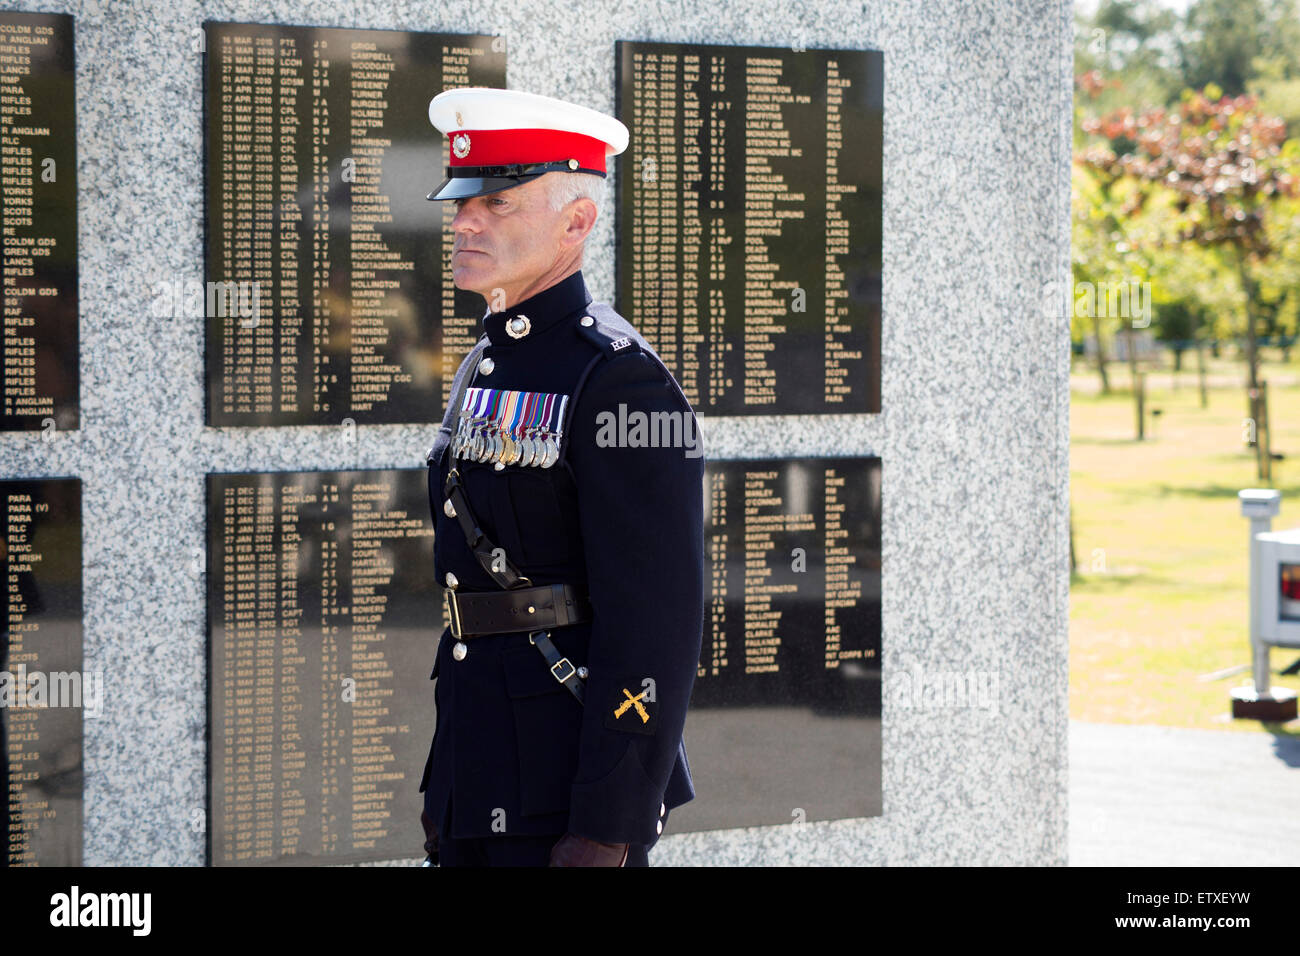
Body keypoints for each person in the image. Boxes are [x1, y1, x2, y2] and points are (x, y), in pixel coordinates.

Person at [417, 87, 706, 867]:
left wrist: (610, 825)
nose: (466, 221)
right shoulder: (489, 359)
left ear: (577, 222)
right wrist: (445, 785)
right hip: (479, 781)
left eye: (499, 204)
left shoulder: (619, 382)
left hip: (565, 801)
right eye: (463, 203)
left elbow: (656, 623)